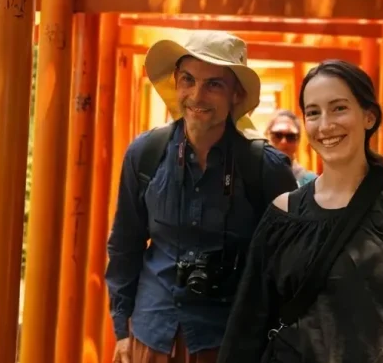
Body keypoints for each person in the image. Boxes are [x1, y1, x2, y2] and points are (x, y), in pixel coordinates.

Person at [218, 60, 383, 363]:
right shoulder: (284, 214)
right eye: (313, 113)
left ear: (369, 116)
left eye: (339, 108)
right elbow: (247, 326)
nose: (326, 125)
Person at [106, 30, 297, 363]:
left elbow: (288, 264)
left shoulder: (265, 168)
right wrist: (122, 330)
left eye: (214, 84)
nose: (197, 95)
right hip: (152, 334)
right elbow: (125, 243)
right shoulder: (145, 154)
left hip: (229, 340)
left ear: (236, 95)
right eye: (188, 80)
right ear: (176, 84)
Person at [265, 110, 317, 187]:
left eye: (290, 136)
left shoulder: (311, 182)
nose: (283, 142)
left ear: (298, 140)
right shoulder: (253, 177)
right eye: (277, 135)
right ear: (267, 136)